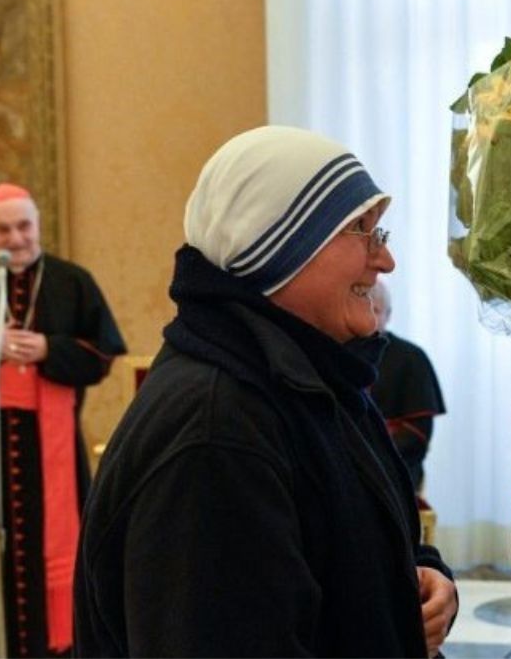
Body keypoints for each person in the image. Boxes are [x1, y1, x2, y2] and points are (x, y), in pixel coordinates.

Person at [73, 126, 458, 657]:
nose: (384, 261)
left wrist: (416, 576)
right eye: (361, 232)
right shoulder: (215, 433)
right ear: (281, 245)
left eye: (381, 235)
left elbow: (335, 545)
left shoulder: (311, 378)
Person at [0, 182, 126, 657]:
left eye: (23, 226)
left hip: (50, 448)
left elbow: (102, 354)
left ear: (37, 225)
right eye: (2, 229)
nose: (15, 238)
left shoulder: (71, 281)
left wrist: (49, 348)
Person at [370, 279, 446, 492]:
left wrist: (370, 451)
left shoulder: (411, 358)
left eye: (375, 310)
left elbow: (417, 435)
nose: (369, 317)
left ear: (388, 315)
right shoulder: (339, 351)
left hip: (394, 468)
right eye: (363, 306)